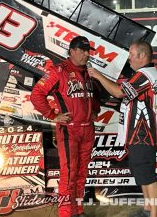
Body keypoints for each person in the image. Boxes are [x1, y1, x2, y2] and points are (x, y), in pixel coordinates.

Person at [88, 40, 157, 217]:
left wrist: (97, 75)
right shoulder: (146, 73)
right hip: (138, 135)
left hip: (143, 135)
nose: (129, 59)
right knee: (143, 175)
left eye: (131, 55)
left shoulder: (144, 75)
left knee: (148, 176)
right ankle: (147, 210)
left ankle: (154, 214)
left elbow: (119, 92)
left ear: (142, 56)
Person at [30, 36, 100, 217]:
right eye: (83, 50)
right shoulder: (58, 70)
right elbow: (37, 94)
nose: (86, 54)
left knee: (82, 173)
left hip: (88, 129)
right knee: (69, 174)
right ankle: (66, 213)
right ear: (72, 51)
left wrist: (95, 110)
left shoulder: (89, 72)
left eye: (88, 51)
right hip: (69, 129)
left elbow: (94, 96)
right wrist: (53, 115)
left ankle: (78, 210)